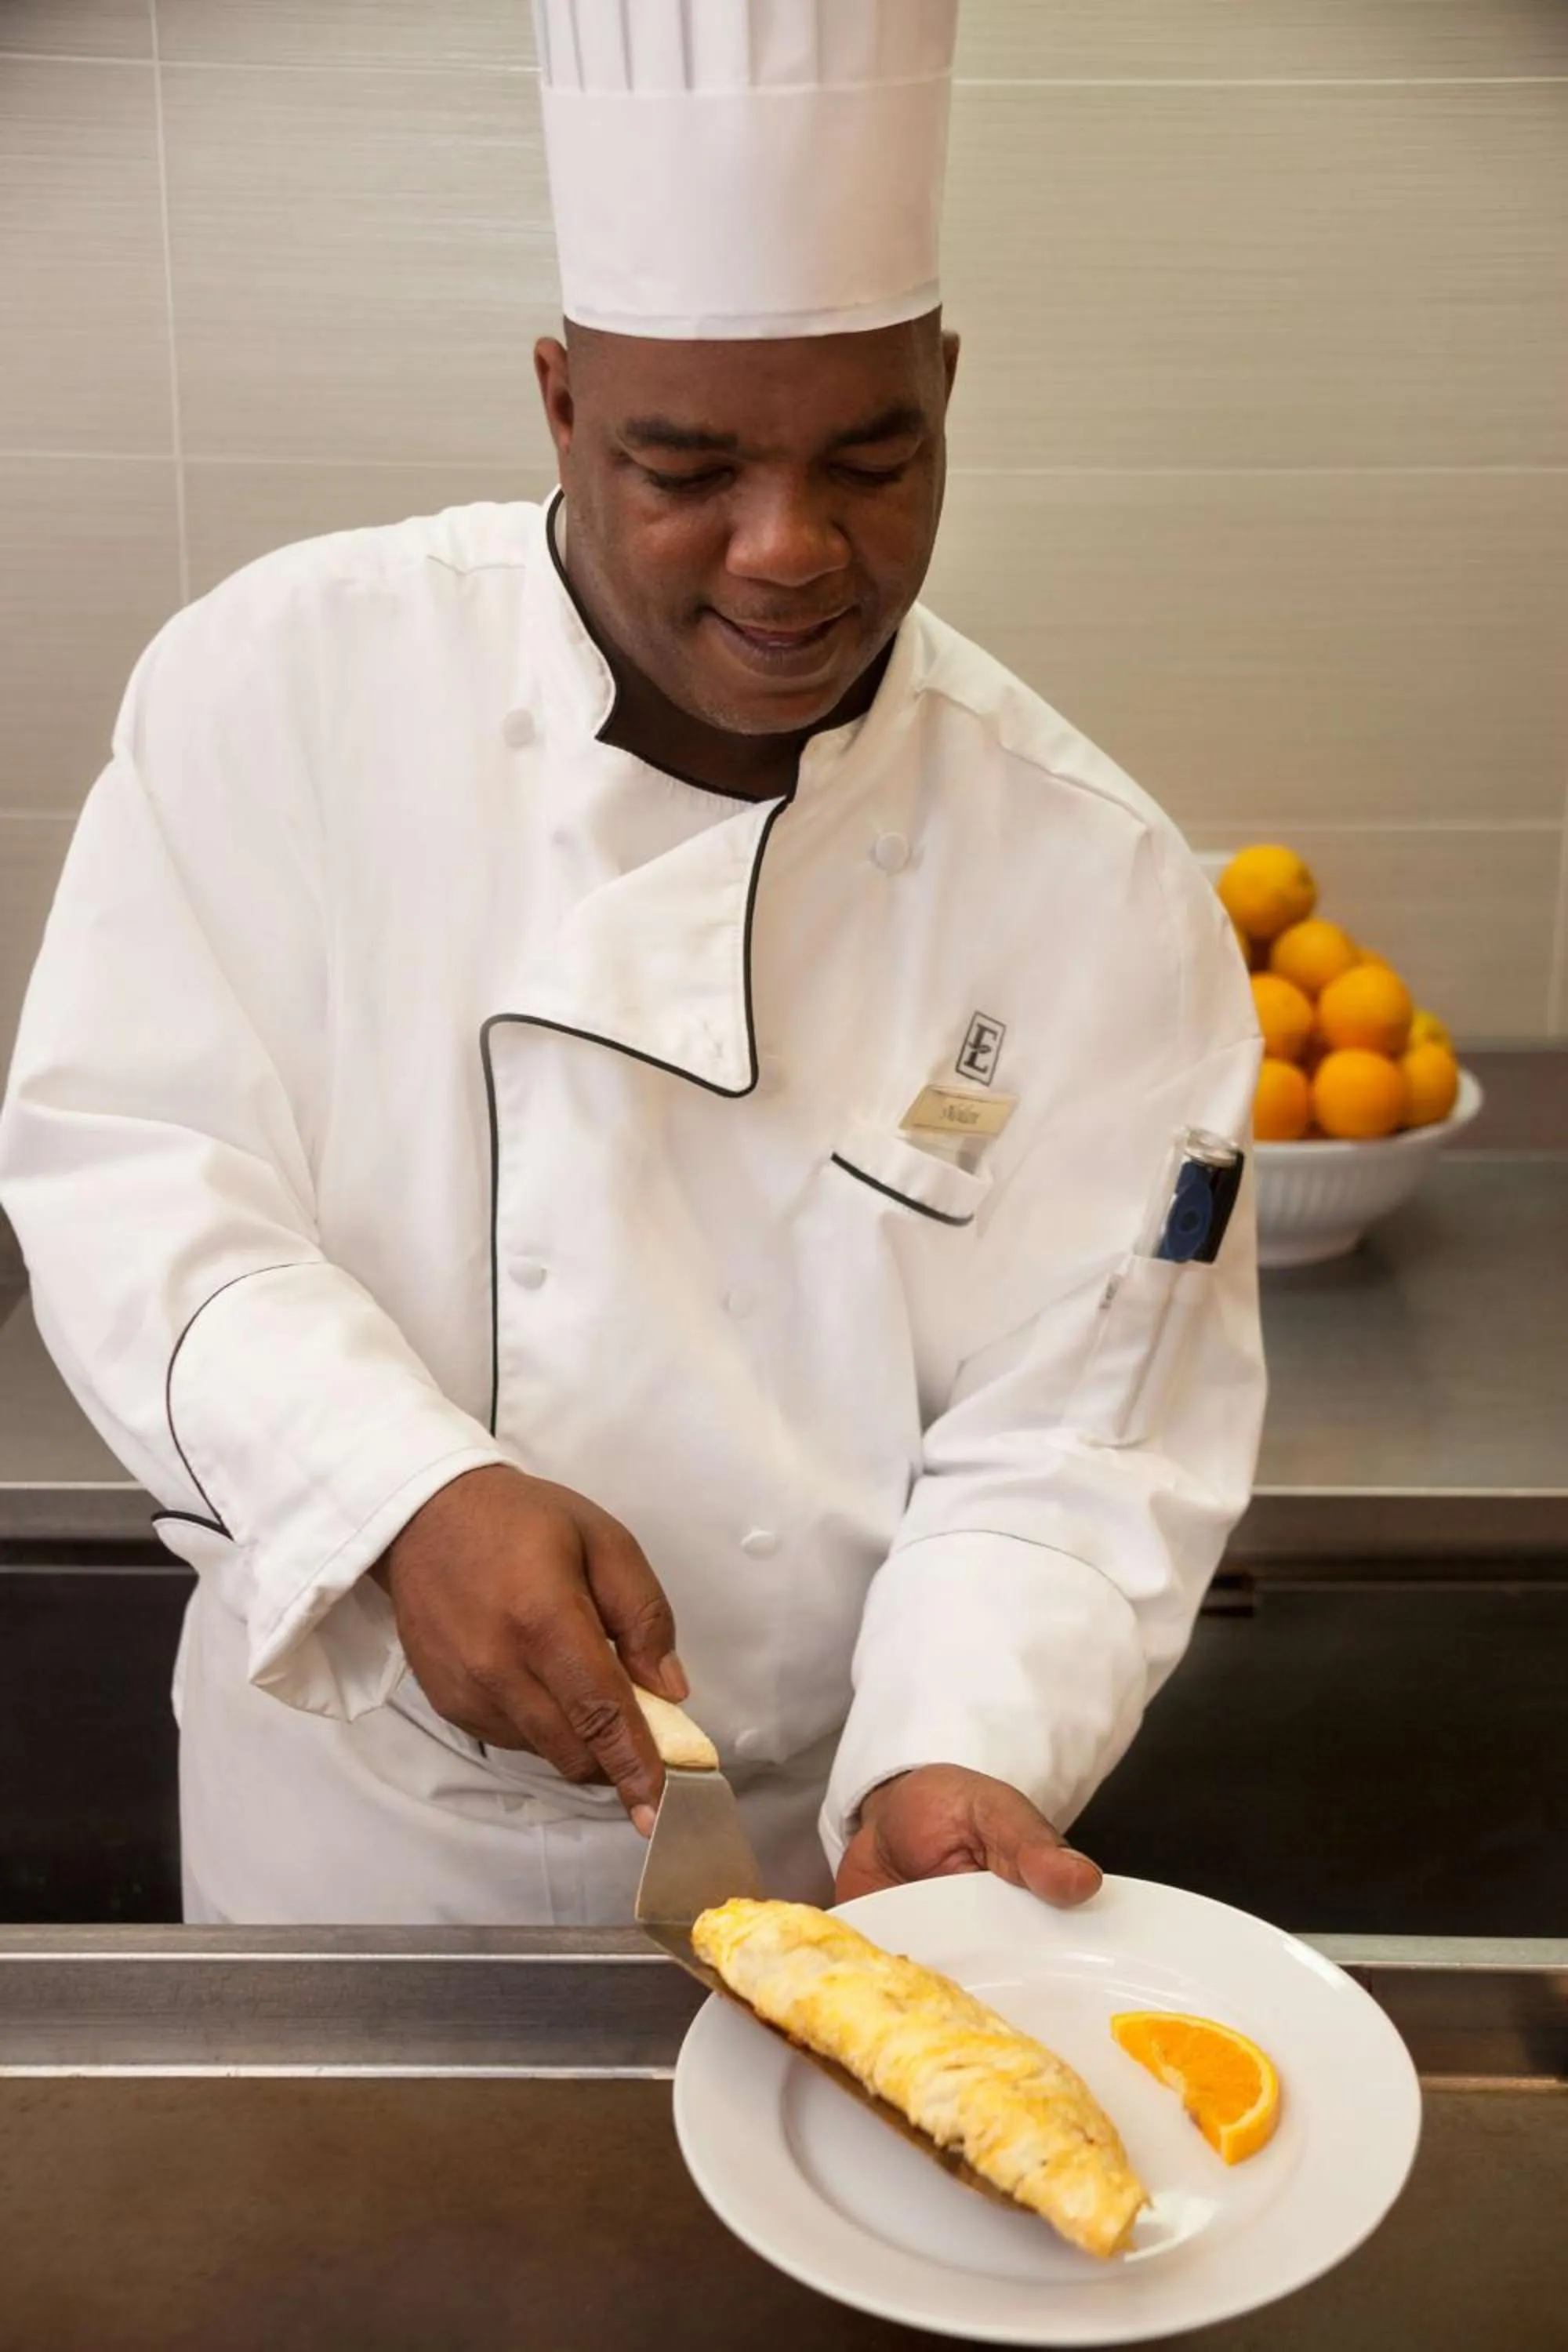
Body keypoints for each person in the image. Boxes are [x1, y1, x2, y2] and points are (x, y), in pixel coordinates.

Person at [0, 0, 1265, 1926]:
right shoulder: (286, 687)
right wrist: (396, 1491)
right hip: (343, 1836)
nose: (787, 552)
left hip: (830, 1851)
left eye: (874, 460)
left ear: (945, 390)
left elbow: (1077, 1437)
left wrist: (958, 1750)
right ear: (560, 406)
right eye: (686, 471)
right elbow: (135, 1172)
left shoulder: (1090, 883)